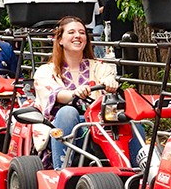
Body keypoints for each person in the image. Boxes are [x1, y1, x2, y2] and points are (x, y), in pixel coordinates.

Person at [34, 16, 121, 169]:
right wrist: (73, 93)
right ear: (60, 40)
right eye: (71, 32)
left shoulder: (99, 67)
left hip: (99, 124)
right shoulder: (45, 71)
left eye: (82, 33)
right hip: (61, 126)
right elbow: (55, 94)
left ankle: (141, 172)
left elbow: (107, 77)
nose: (77, 36)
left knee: (129, 120)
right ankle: (62, 168)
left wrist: (110, 82)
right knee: (68, 112)